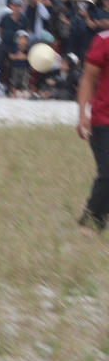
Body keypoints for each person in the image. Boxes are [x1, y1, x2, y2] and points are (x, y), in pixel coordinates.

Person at [76, 28, 109, 234]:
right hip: (104, 120)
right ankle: (91, 220)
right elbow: (88, 78)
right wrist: (82, 115)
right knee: (108, 174)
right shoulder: (104, 40)